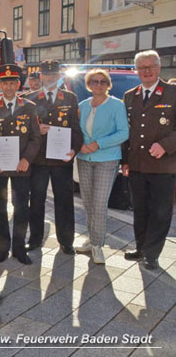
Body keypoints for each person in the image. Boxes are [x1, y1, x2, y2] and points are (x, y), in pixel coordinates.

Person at [122, 50, 176, 270]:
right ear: (136, 70)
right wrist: (125, 161)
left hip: (164, 166)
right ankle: (141, 247)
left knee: (161, 211)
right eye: (142, 67)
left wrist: (165, 145)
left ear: (159, 67)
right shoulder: (129, 96)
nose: (147, 71)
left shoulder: (173, 92)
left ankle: (152, 254)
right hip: (136, 165)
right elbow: (128, 131)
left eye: (151, 66)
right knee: (140, 209)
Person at [25, 60, 83, 254]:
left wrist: (74, 150)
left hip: (61, 159)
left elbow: (76, 128)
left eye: (53, 74)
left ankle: (66, 241)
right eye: (46, 74)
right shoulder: (30, 98)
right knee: (37, 199)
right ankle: (35, 239)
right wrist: (36, 129)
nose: (50, 77)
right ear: (40, 76)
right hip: (39, 159)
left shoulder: (70, 98)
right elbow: (22, 131)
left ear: (59, 76)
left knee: (64, 200)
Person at [0, 65, 40, 265]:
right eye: (4, 83)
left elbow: (35, 138)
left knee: (20, 207)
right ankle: (1, 248)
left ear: (18, 84)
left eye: (12, 83)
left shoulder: (29, 107)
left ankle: (19, 248)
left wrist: (27, 159)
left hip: (21, 167)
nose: (8, 87)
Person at [75, 69, 129, 265]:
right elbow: (76, 130)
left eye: (102, 82)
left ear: (108, 84)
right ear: (89, 85)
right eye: (94, 82)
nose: (98, 85)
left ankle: (98, 246)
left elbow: (123, 133)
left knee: (99, 204)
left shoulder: (116, 105)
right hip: (84, 159)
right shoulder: (83, 105)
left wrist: (98, 144)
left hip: (107, 159)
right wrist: (78, 144)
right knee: (88, 203)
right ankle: (92, 240)